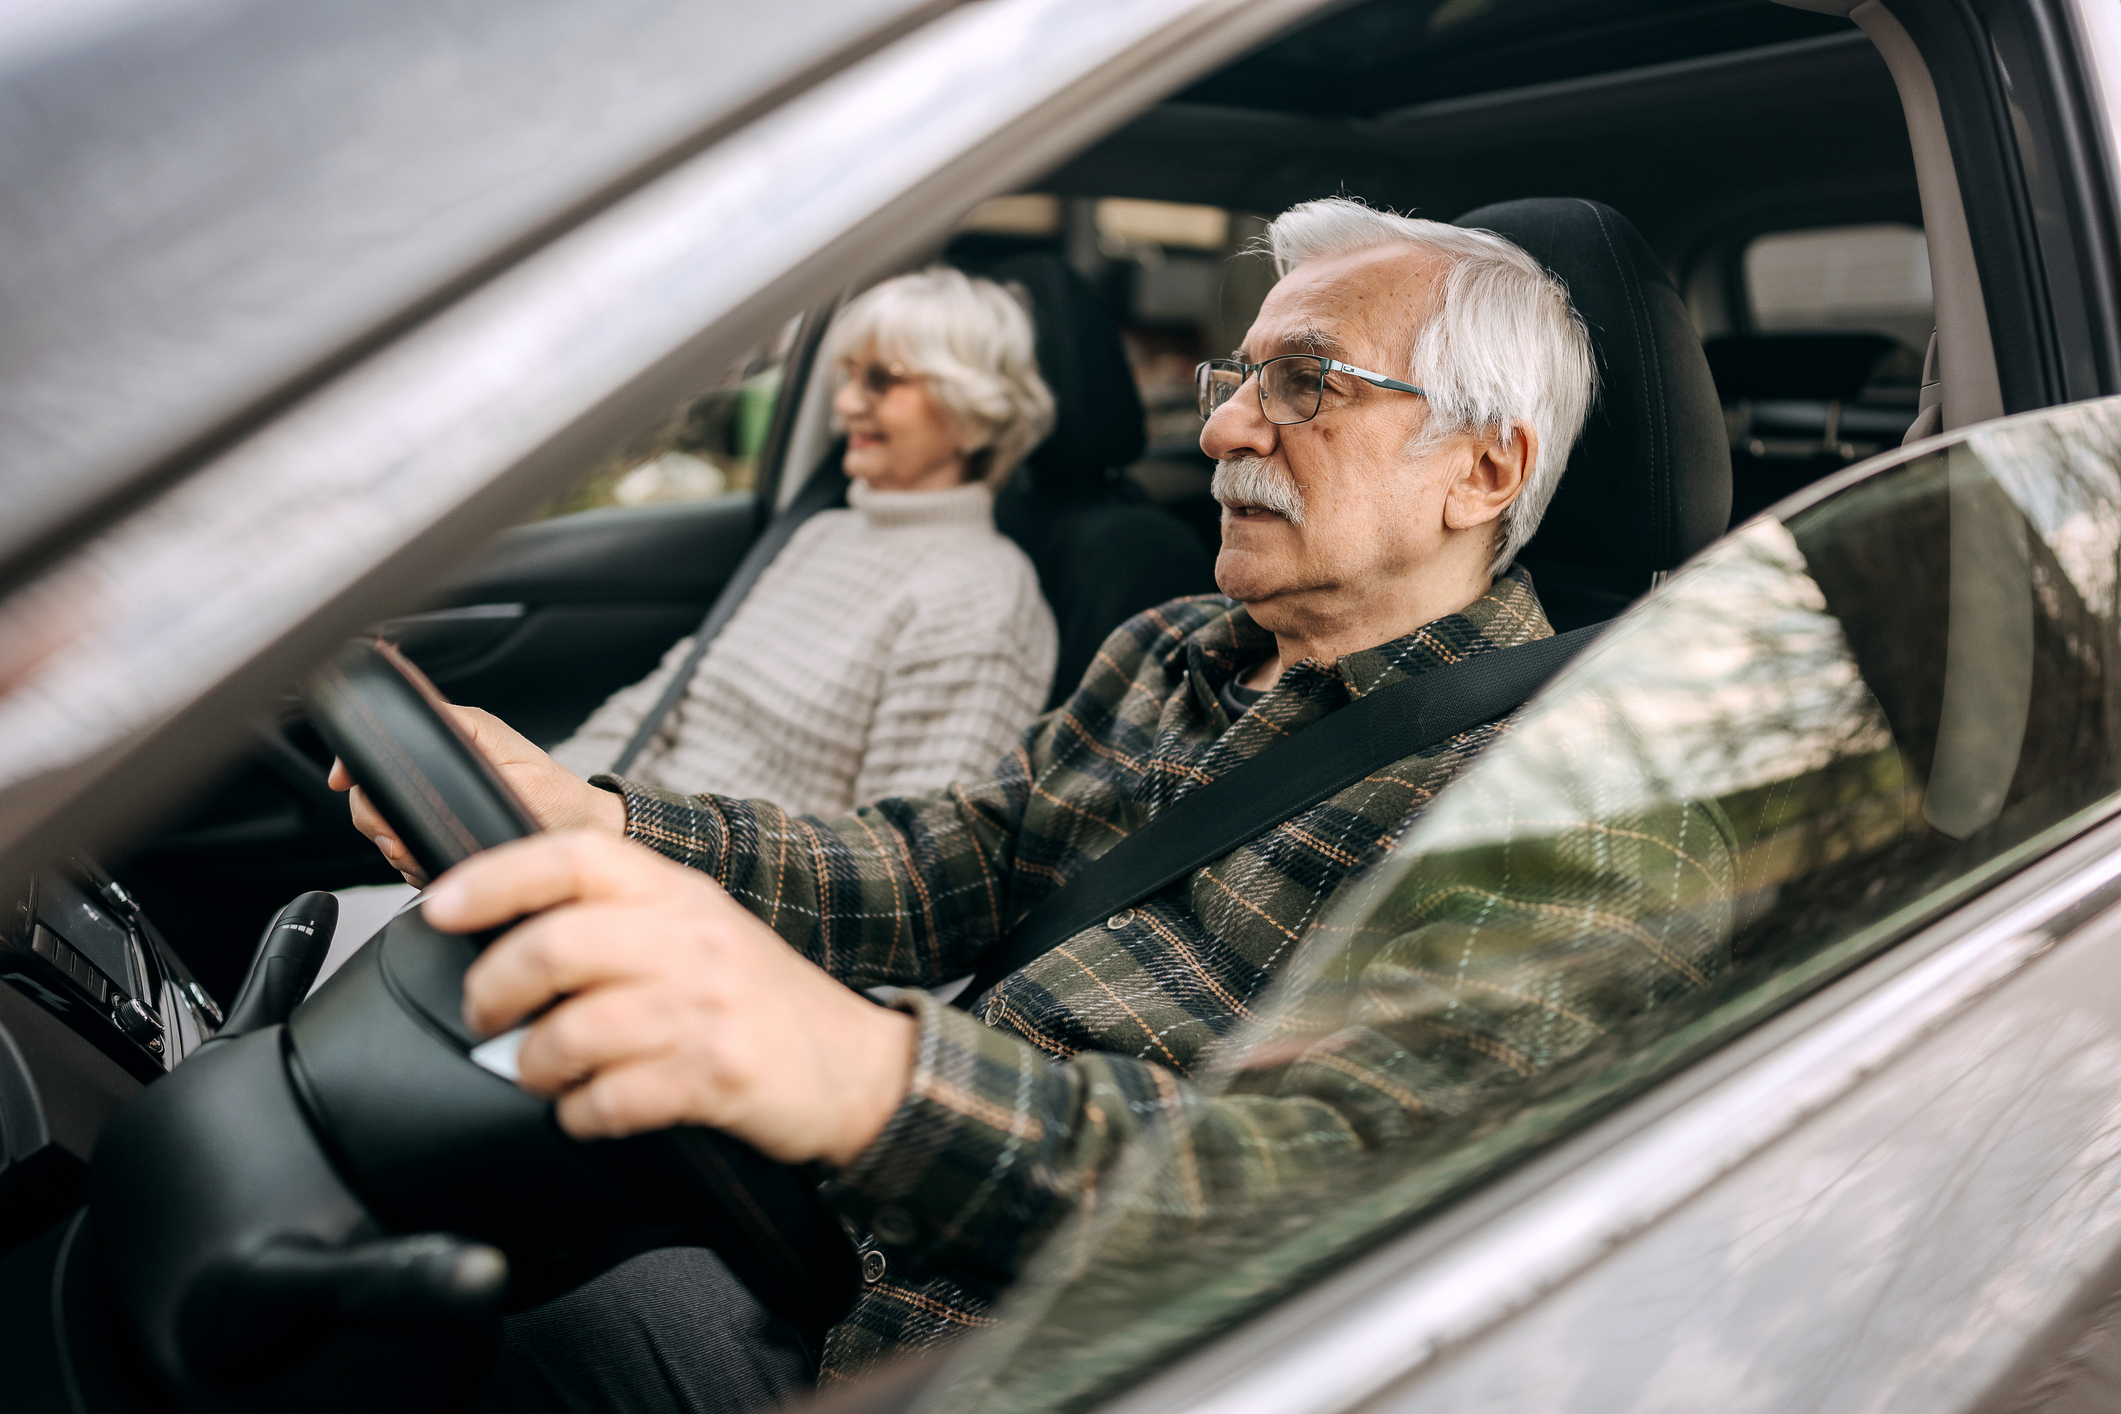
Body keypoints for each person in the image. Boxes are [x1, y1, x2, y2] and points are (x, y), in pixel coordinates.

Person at [338, 196, 1680, 1413]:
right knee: (420, 1275)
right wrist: (611, 824)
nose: (1219, 425)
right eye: (1237, 376)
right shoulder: (1170, 647)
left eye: (1306, 382)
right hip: (858, 1249)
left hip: (1037, 1355)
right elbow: (946, 864)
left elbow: (1318, 1197)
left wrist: (871, 1077)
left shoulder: (1576, 801)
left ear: (1483, 472)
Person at [549, 265, 1059, 816]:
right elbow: (661, 702)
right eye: (849, 375)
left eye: (882, 379)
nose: (844, 404)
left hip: (710, 886)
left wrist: (618, 833)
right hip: (624, 832)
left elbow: (899, 866)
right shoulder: (822, 533)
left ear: (971, 410)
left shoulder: (983, 599)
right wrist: (551, 792)